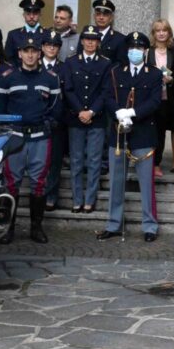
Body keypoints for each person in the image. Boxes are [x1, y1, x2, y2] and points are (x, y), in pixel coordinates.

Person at [0, 34, 61, 244]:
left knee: (39, 184)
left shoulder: (50, 78)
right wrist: (5, 129)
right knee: (11, 184)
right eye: (26, 51)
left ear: (40, 53)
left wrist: (49, 123)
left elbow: (57, 107)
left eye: (34, 51)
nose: (30, 55)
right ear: (19, 53)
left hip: (40, 138)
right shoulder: (7, 77)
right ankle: (7, 229)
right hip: (15, 139)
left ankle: (36, 228)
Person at [99, 32, 163, 242]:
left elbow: (155, 101)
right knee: (116, 182)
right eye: (132, 48)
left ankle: (150, 226)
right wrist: (118, 112)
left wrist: (133, 112)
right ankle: (113, 224)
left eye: (139, 48)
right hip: (118, 133)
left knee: (146, 184)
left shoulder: (154, 74)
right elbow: (107, 96)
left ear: (145, 51)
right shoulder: (116, 72)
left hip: (143, 133)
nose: (135, 51)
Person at [62, 26, 112, 213]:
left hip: (96, 118)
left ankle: (89, 199)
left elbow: (106, 91)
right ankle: (77, 199)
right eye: (87, 39)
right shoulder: (71, 62)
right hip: (76, 118)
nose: (90, 43)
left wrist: (91, 111)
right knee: (76, 160)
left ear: (98, 43)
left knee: (94, 160)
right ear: (82, 41)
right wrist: (80, 111)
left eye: (94, 40)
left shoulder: (105, 63)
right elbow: (68, 89)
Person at [147, 18, 174, 177]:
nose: (161, 33)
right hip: (153, 98)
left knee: (170, 129)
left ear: (169, 32)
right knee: (156, 131)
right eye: (158, 30)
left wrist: (172, 79)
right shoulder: (147, 52)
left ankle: (169, 162)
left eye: (164, 30)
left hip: (171, 97)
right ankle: (154, 163)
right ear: (153, 33)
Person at [40, 29, 67, 210]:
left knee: (55, 161)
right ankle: (38, 194)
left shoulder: (64, 67)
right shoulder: (34, 65)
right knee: (38, 161)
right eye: (48, 45)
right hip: (36, 120)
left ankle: (51, 195)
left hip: (57, 121)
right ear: (42, 47)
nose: (51, 48)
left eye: (55, 45)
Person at [4, 0, 46, 66]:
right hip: (17, 71)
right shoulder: (13, 35)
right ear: (23, 15)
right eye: (28, 13)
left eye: (35, 13)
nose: (31, 17)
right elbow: (8, 59)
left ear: (40, 15)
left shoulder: (47, 34)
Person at [90, 0, 126, 64]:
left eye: (105, 15)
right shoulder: (86, 36)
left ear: (111, 18)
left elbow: (120, 65)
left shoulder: (120, 39)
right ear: (94, 16)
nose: (101, 17)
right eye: (98, 14)